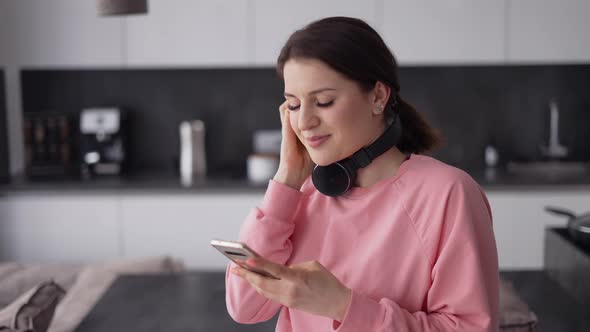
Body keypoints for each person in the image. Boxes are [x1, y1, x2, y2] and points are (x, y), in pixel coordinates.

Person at [225, 16, 499, 332]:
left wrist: (342, 306)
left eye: (323, 101)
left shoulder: (448, 194)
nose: (304, 122)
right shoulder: (302, 197)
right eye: (294, 105)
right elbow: (245, 306)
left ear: (378, 97)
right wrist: (286, 179)